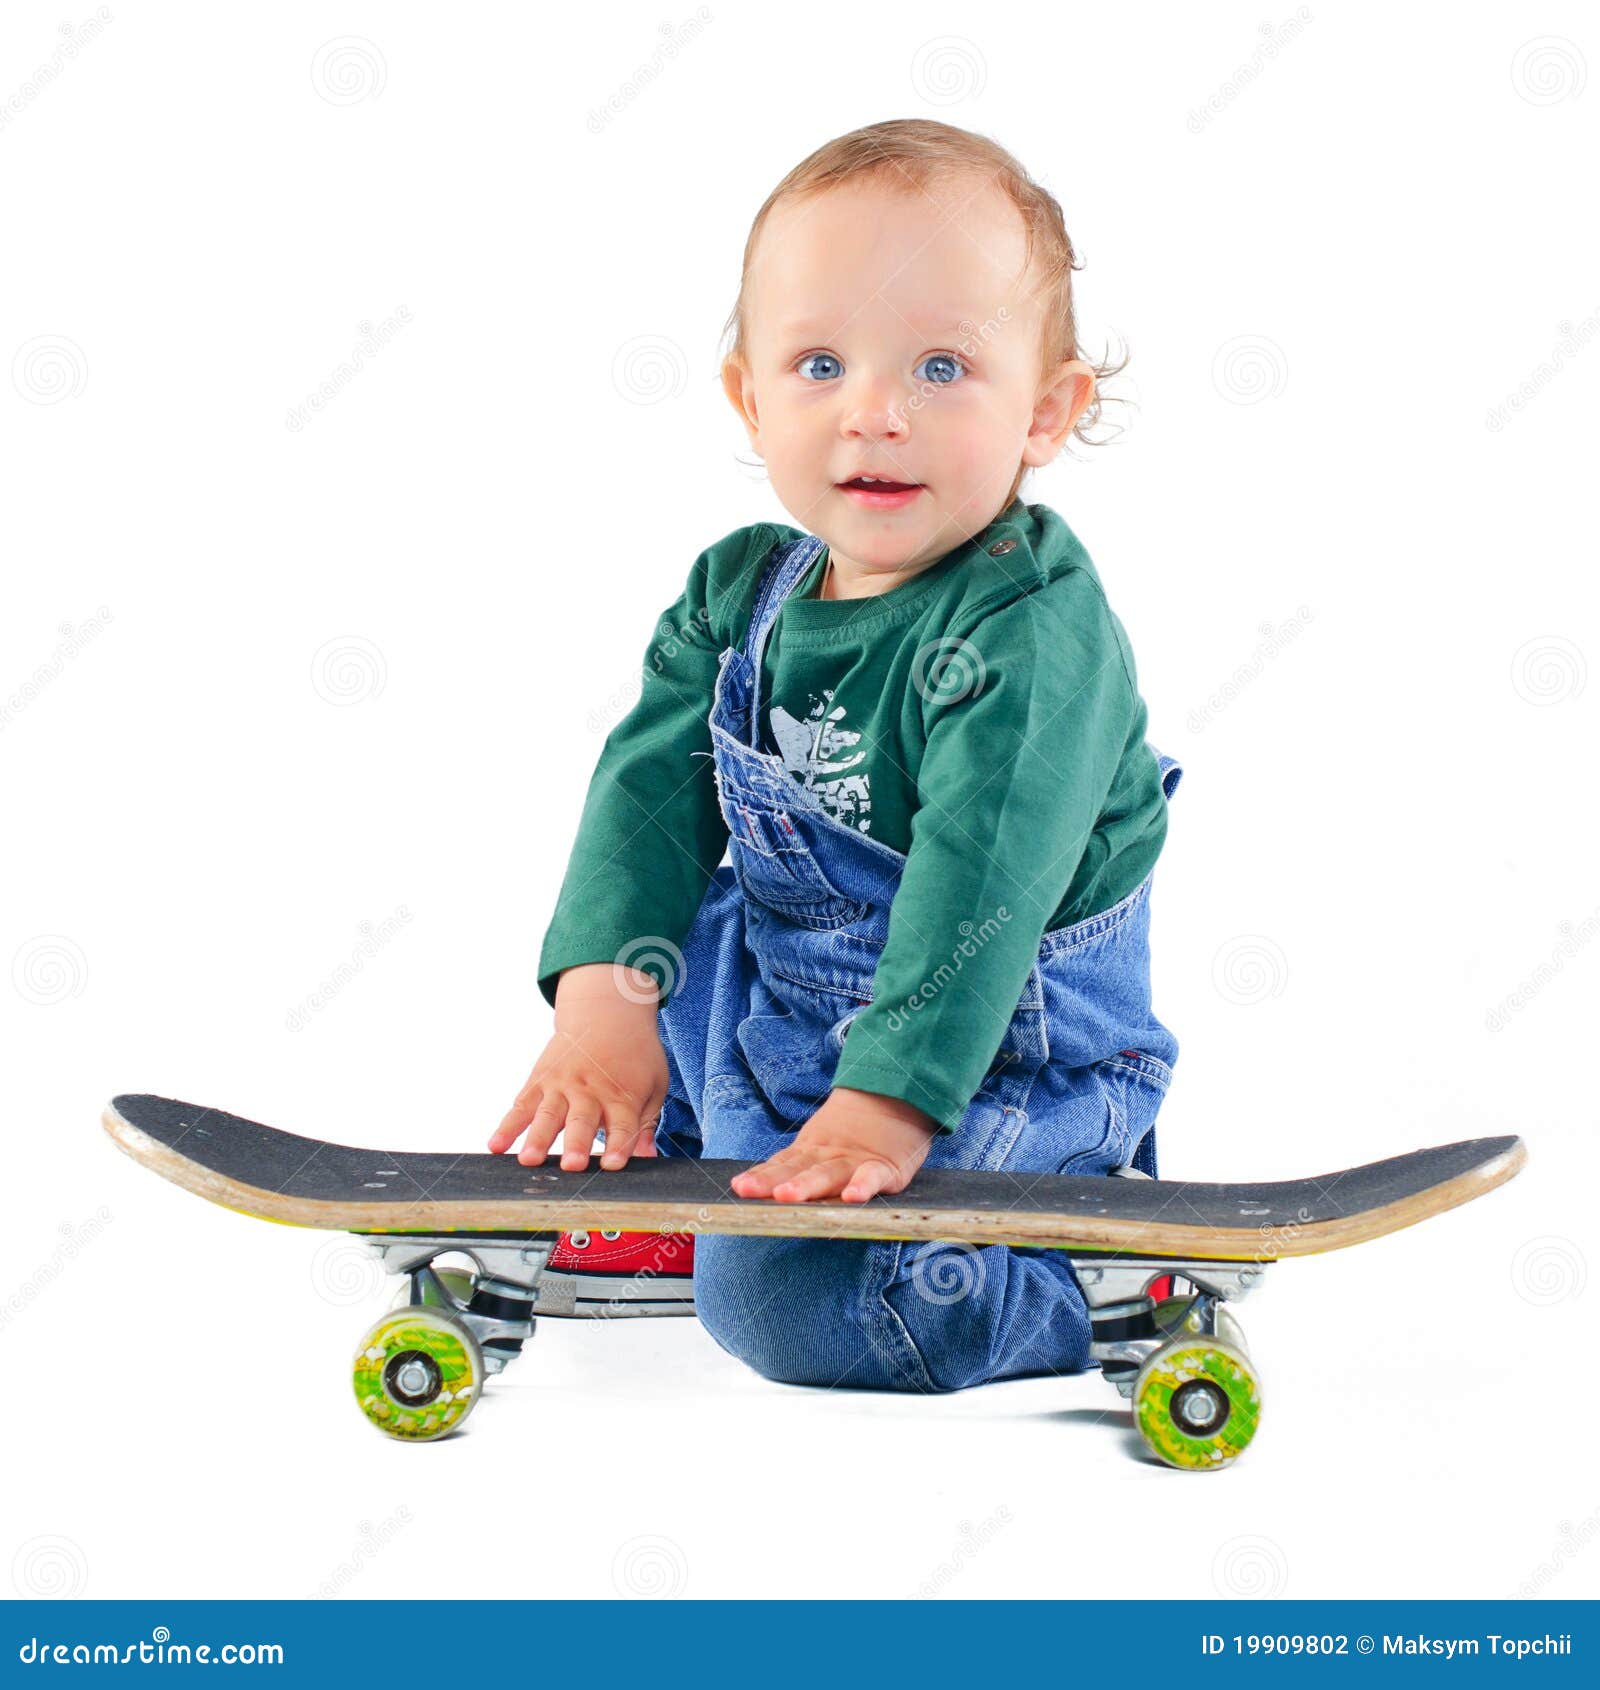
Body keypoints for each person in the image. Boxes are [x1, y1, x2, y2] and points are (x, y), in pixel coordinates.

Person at [487, 118, 1183, 1393]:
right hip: (789, 1020)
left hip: (994, 1050)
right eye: (820, 362)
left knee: (787, 1306)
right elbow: (643, 799)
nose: (874, 412)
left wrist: (887, 1107)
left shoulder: (1032, 631)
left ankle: (1101, 1281)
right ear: (750, 396)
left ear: (1048, 411)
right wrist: (605, 1004)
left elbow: (984, 879)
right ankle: (678, 1158)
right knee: (685, 868)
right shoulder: (735, 595)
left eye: (939, 365)